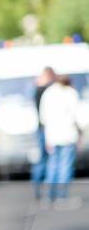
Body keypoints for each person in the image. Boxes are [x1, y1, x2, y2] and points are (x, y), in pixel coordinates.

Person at [39, 73, 80, 202]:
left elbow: (43, 118)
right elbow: (76, 116)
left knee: (52, 164)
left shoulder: (48, 93)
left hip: (52, 135)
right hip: (68, 134)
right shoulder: (71, 93)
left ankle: (50, 195)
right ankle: (62, 195)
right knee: (65, 165)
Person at [32, 67, 56, 198]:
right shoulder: (44, 90)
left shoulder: (38, 89)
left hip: (43, 128)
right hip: (45, 128)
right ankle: (45, 189)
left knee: (43, 159)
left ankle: (39, 188)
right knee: (46, 159)